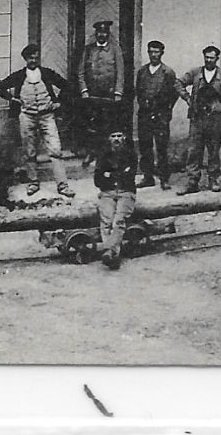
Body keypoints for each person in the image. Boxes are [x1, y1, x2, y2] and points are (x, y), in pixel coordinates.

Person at [0, 45, 74, 198]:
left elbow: (67, 85)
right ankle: (33, 182)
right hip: (26, 116)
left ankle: (62, 185)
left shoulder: (47, 73)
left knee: (55, 150)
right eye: (30, 57)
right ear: (25, 59)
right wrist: (13, 99)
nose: (33, 60)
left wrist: (59, 102)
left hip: (47, 116)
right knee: (29, 151)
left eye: (36, 57)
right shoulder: (18, 76)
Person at [178, 45, 221, 194]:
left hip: (215, 118)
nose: (208, 60)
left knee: (213, 150)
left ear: (217, 58)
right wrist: (187, 98)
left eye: (211, 58)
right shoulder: (196, 73)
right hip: (197, 117)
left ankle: (213, 179)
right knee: (194, 150)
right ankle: (192, 181)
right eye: (206, 57)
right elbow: (178, 82)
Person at [73, 19, 126, 167]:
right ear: (96, 33)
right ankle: (91, 153)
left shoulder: (115, 49)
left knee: (109, 126)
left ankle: (107, 157)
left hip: (109, 96)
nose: (102, 35)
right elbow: (81, 72)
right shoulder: (88, 50)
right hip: (92, 96)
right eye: (99, 32)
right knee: (92, 126)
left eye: (104, 32)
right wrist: (84, 90)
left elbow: (121, 72)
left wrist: (118, 92)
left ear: (108, 34)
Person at [134, 40, 181, 189]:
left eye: (157, 52)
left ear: (162, 53)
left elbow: (174, 94)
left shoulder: (168, 72)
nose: (153, 55)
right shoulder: (142, 71)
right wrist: (144, 106)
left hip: (161, 116)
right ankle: (148, 177)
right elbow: (139, 91)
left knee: (161, 148)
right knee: (145, 146)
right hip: (145, 115)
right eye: (151, 52)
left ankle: (164, 179)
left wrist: (166, 111)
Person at [94, 128, 138, 270]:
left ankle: (109, 251)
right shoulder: (102, 156)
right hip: (107, 192)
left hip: (126, 192)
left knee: (118, 220)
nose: (117, 139)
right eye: (113, 136)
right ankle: (113, 254)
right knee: (106, 220)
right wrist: (118, 174)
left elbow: (129, 177)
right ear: (109, 139)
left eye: (119, 136)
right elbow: (98, 181)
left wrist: (109, 174)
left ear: (124, 138)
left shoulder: (131, 155)